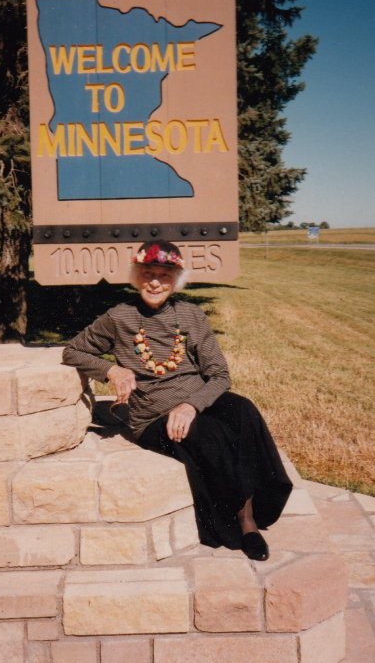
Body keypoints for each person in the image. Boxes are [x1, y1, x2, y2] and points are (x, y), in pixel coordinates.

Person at [62, 240, 291, 561]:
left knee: (243, 410)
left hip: (195, 401)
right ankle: (243, 523)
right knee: (212, 435)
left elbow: (219, 375)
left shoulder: (191, 315)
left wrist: (190, 405)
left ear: (176, 280)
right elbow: (72, 350)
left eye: (165, 275)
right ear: (137, 276)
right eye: (148, 274)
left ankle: (261, 505)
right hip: (153, 418)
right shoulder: (119, 317)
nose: (155, 282)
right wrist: (111, 369)